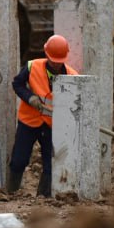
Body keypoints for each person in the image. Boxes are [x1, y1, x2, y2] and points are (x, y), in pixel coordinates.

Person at [8, 34, 78, 198]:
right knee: (19, 160)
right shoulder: (32, 66)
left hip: (51, 125)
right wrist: (29, 97)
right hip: (29, 121)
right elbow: (17, 84)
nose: (55, 63)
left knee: (50, 163)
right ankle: (11, 193)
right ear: (46, 54)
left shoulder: (73, 77)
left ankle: (44, 197)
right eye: (53, 59)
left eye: (59, 60)